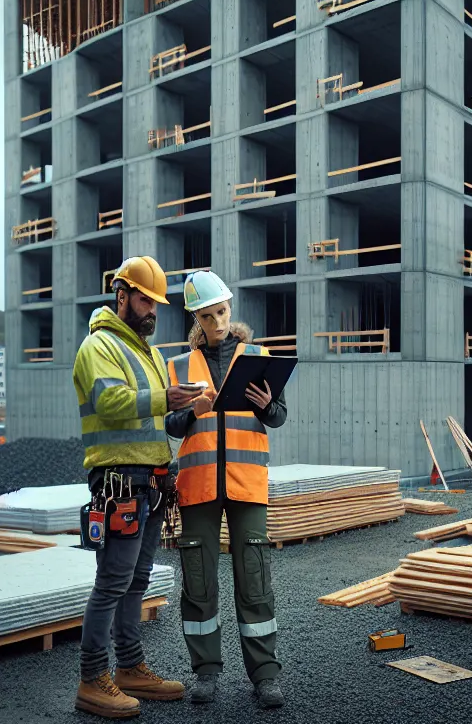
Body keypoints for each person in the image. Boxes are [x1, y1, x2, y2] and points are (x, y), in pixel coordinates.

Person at [73, 255, 196, 719]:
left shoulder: (150, 354)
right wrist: (169, 397)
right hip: (118, 480)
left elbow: (162, 418)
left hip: (151, 483)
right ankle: (91, 678)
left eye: (156, 303)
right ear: (121, 295)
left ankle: (128, 668)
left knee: (136, 582)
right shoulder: (99, 345)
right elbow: (110, 402)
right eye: (145, 299)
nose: (152, 310)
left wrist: (192, 411)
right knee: (112, 582)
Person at [164, 270, 287, 710]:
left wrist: (267, 405)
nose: (216, 322)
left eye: (221, 312)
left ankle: (265, 676)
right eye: (206, 315)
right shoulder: (179, 366)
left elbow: (277, 417)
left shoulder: (259, 357)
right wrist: (192, 411)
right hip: (197, 487)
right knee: (198, 581)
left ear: (230, 309)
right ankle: (206, 673)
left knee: (254, 579)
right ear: (195, 317)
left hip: (246, 484)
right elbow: (171, 426)